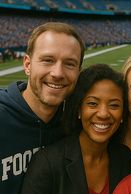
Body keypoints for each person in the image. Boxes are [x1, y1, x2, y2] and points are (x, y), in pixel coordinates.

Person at [21, 64, 131, 194]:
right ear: (79, 109)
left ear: (122, 115)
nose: (103, 114)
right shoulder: (47, 163)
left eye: (114, 105)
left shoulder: (123, 157)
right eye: (92, 103)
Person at [0, 22, 85, 194]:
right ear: (27, 65)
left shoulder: (74, 124)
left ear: (79, 71)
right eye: (48, 60)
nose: (58, 73)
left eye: (69, 64)